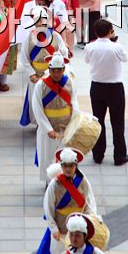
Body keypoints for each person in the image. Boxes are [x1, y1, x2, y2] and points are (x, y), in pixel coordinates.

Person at [43, 147, 98, 254]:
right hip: (61, 230)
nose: (68, 169)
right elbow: (48, 207)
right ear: (61, 166)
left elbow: (89, 203)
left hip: (79, 230)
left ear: (76, 166)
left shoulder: (83, 181)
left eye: (71, 166)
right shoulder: (54, 184)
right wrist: (54, 229)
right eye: (65, 166)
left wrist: (92, 219)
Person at [85, 18, 128, 165]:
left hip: (97, 87)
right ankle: (120, 155)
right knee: (117, 123)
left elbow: (87, 60)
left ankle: (98, 154)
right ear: (110, 31)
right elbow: (125, 58)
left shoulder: (90, 47)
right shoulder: (116, 47)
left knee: (98, 121)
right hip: (115, 87)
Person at [31, 52, 79, 181]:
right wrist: (48, 129)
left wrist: (73, 126)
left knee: (65, 157)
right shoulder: (41, 85)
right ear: (49, 69)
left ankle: (65, 180)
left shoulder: (70, 83)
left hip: (66, 127)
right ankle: (49, 182)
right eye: (53, 71)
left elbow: (74, 104)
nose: (56, 74)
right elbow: (37, 108)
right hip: (48, 128)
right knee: (48, 157)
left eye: (59, 71)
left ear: (63, 69)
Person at [19, 6, 68, 127]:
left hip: (53, 75)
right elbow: (24, 58)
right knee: (36, 101)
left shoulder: (56, 36)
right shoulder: (29, 38)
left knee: (51, 100)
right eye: (38, 21)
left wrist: (58, 57)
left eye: (43, 20)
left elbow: (64, 51)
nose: (41, 23)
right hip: (36, 76)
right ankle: (40, 125)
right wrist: (32, 74)